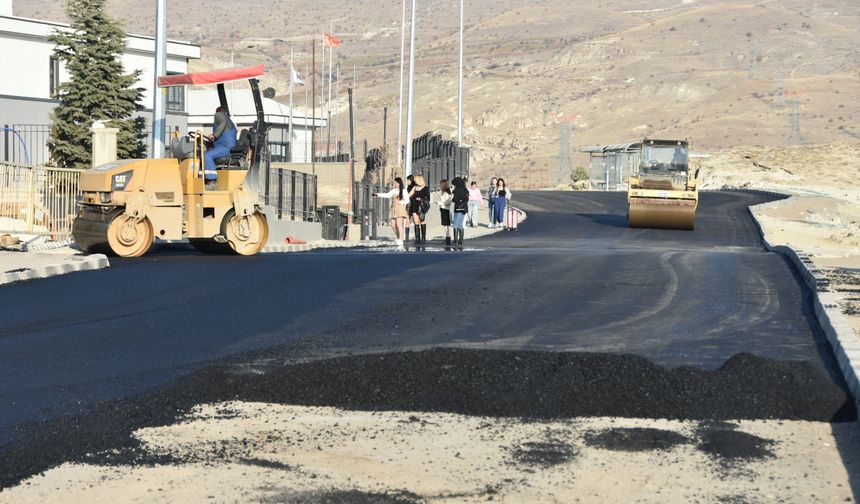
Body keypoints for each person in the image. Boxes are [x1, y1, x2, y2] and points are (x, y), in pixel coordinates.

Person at [203, 106, 237, 190]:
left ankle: (211, 181)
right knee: (203, 154)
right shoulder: (228, 123)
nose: (216, 116)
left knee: (206, 156)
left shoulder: (222, 117)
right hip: (223, 147)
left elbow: (222, 122)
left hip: (225, 148)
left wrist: (214, 135)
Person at [374, 177, 409, 248]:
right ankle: (398, 236)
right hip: (393, 208)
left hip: (400, 208)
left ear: (399, 183)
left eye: (395, 182)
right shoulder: (393, 190)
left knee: (399, 224)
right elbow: (387, 195)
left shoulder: (404, 191)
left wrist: (400, 202)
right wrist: (377, 194)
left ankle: (401, 240)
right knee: (393, 225)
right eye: (394, 182)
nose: (394, 184)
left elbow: (407, 200)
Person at [408, 175, 430, 244]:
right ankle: (417, 239)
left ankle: (423, 239)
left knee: (422, 220)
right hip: (415, 205)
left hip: (422, 206)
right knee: (416, 221)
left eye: (415, 179)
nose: (414, 181)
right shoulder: (415, 187)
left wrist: (421, 199)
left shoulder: (425, 188)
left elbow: (428, 198)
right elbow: (409, 195)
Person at [451, 177, 469, 247]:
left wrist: (453, 199)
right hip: (464, 208)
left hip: (458, 208)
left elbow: (455, 199)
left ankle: (455, 240)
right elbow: (467, 198)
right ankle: (461, 240)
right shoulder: (465, 189)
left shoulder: (457, 189)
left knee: (455, 224)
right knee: (461, 224)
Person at [438, 179, 453, 245]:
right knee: (446, 225)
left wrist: (439, 203)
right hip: (445, 209)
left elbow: (447, 202)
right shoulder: (447, 192)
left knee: (445, 225)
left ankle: (448, 238)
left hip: (444, 209)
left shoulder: (445, 193)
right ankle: (447, 237)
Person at [404, 175, 415, 241]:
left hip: (413, 204)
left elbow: (409, 195)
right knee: (407, 220)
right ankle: (407, 236)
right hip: (408, 204)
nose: (407, 182)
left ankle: (418, 236)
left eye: (408, 180)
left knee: (416, 220)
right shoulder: (408, 187)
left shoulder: (414, 187)